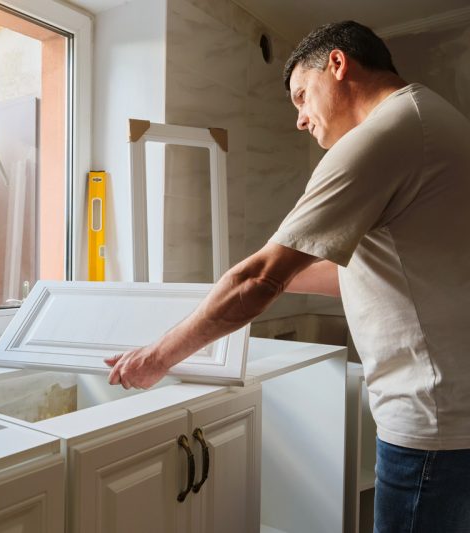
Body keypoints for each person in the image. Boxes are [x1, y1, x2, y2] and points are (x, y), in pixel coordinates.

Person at [104, 20, 470, 532]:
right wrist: (281, 277)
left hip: (429, 425)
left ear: (338, 65)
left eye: (302, 96)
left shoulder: (383, 136)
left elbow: (257, 279)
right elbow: (382, 274)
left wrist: (157, 357)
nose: (300, 119)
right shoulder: (432, 118)